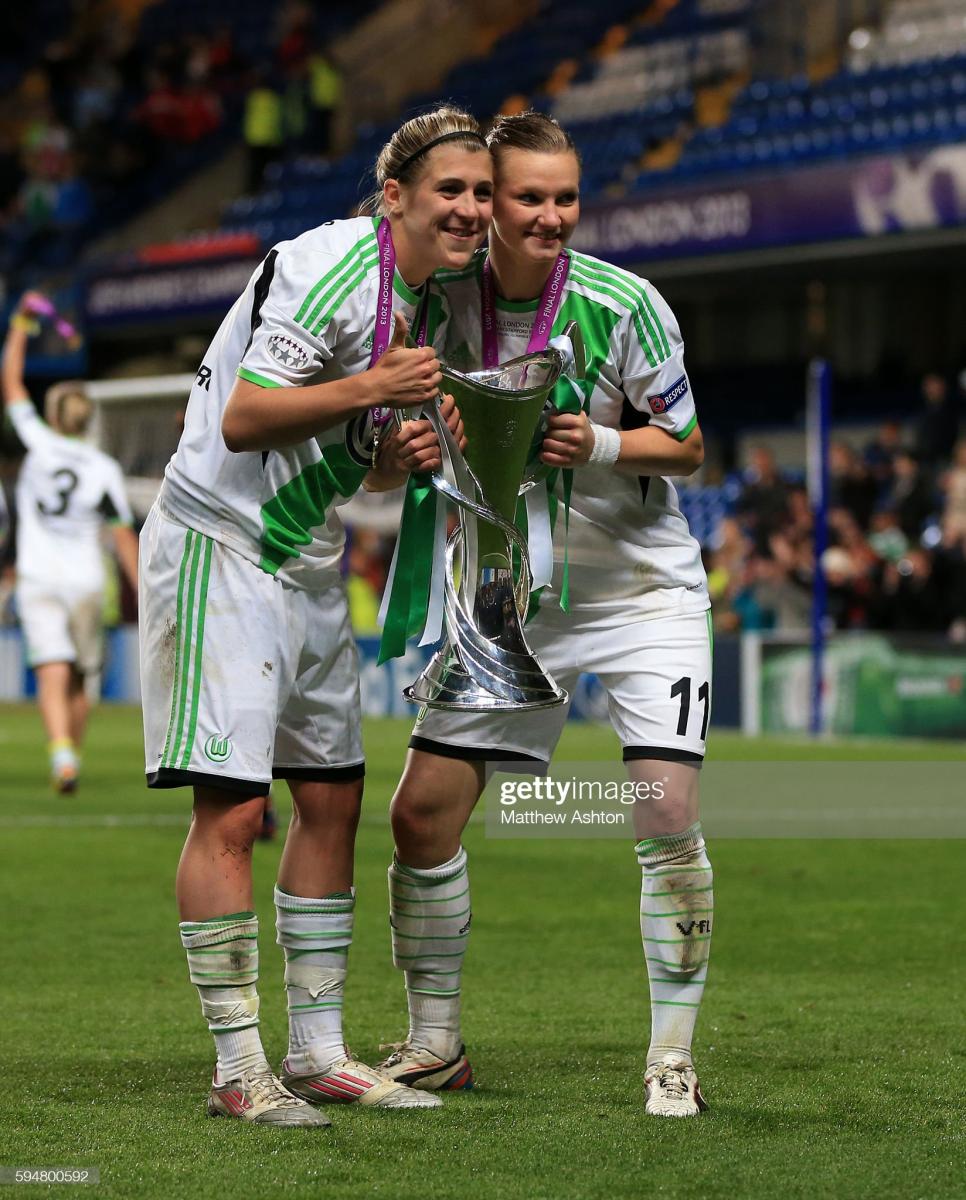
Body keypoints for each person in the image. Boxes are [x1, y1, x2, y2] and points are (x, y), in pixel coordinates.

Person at [138, 106, 492, 1127]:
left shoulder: (419, 301)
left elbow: (344, 449)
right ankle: (238, 1068)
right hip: (222, 544)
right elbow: (248, 417)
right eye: (449, 191)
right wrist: (375, 386)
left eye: (479, 193)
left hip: (306, 555)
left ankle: (322, 1050)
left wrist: (396, 456)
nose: (469, 209)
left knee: (331, 800)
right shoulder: (331, 264)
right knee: (236, 812)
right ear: (395, 197)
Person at [376, 112, 712, 1117]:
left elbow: (688, 444)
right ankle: (435, 1043)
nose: (552, 216)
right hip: (510, 596)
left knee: (665, 815)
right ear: (489, 200)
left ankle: (671, 1060)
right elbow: (401, 422)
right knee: (420, 816)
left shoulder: (626, 303)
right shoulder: (434, 304)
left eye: (566, 197)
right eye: (530, 198)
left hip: (642, 594)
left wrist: (600, 446)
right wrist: (404, 449)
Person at [2, 291, 139, 793]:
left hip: (39, 576)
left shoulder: (37, 445)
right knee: (82, 675)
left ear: (55, 417)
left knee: (51, 667)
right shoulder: (104, 469)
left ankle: (61, 754)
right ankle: (70, 754)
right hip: (86, 580)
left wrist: (21, 323)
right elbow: (122, 536)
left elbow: (10, 383)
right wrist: (143, 591)